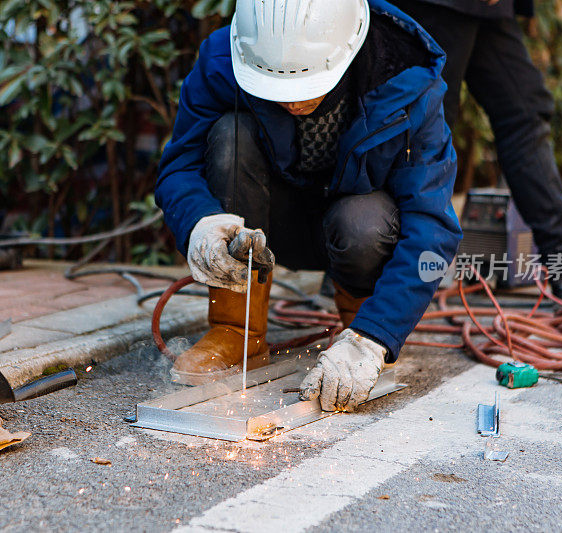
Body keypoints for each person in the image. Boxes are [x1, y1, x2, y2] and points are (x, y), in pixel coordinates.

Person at [155, 0, 462, 412]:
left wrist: (377, 333)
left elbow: (431, 224)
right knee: (231, 138)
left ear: (348, 48)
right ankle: (236, 329)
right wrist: (201, 224)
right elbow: (180, 165)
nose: (293, 103)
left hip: (355, 233)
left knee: (364, 223)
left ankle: (358, 330)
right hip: (261, 231)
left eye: (306, 86)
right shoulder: (225, 58)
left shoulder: (406, 77)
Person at [389, 0, 562, 299]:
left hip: (482, 8)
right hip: (441, 5)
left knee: (523, 110)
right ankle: (367, 274)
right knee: (424, 121)